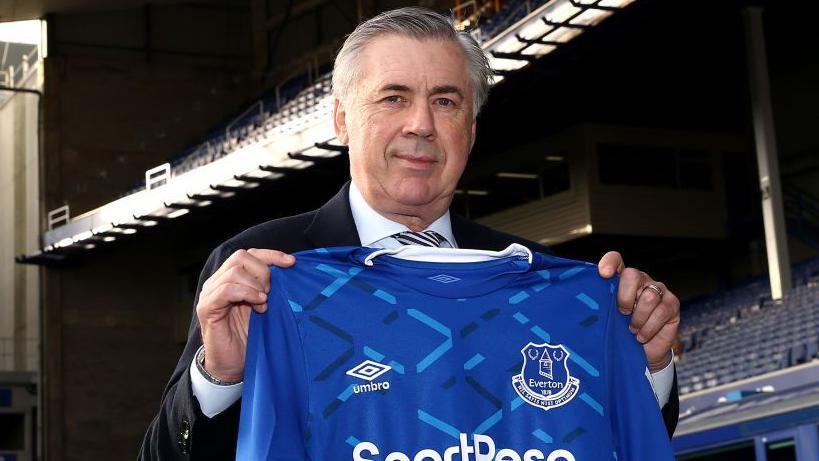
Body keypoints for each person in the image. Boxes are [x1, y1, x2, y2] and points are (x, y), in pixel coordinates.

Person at [139, 7, 680, 460]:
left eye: (446, 101)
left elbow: (613, 438)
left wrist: (648, 364)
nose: (421, 123)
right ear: (343, 120)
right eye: (393, 97)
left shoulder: (539, 280)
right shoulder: (263, 271)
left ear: (470, 129)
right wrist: (220, 378)